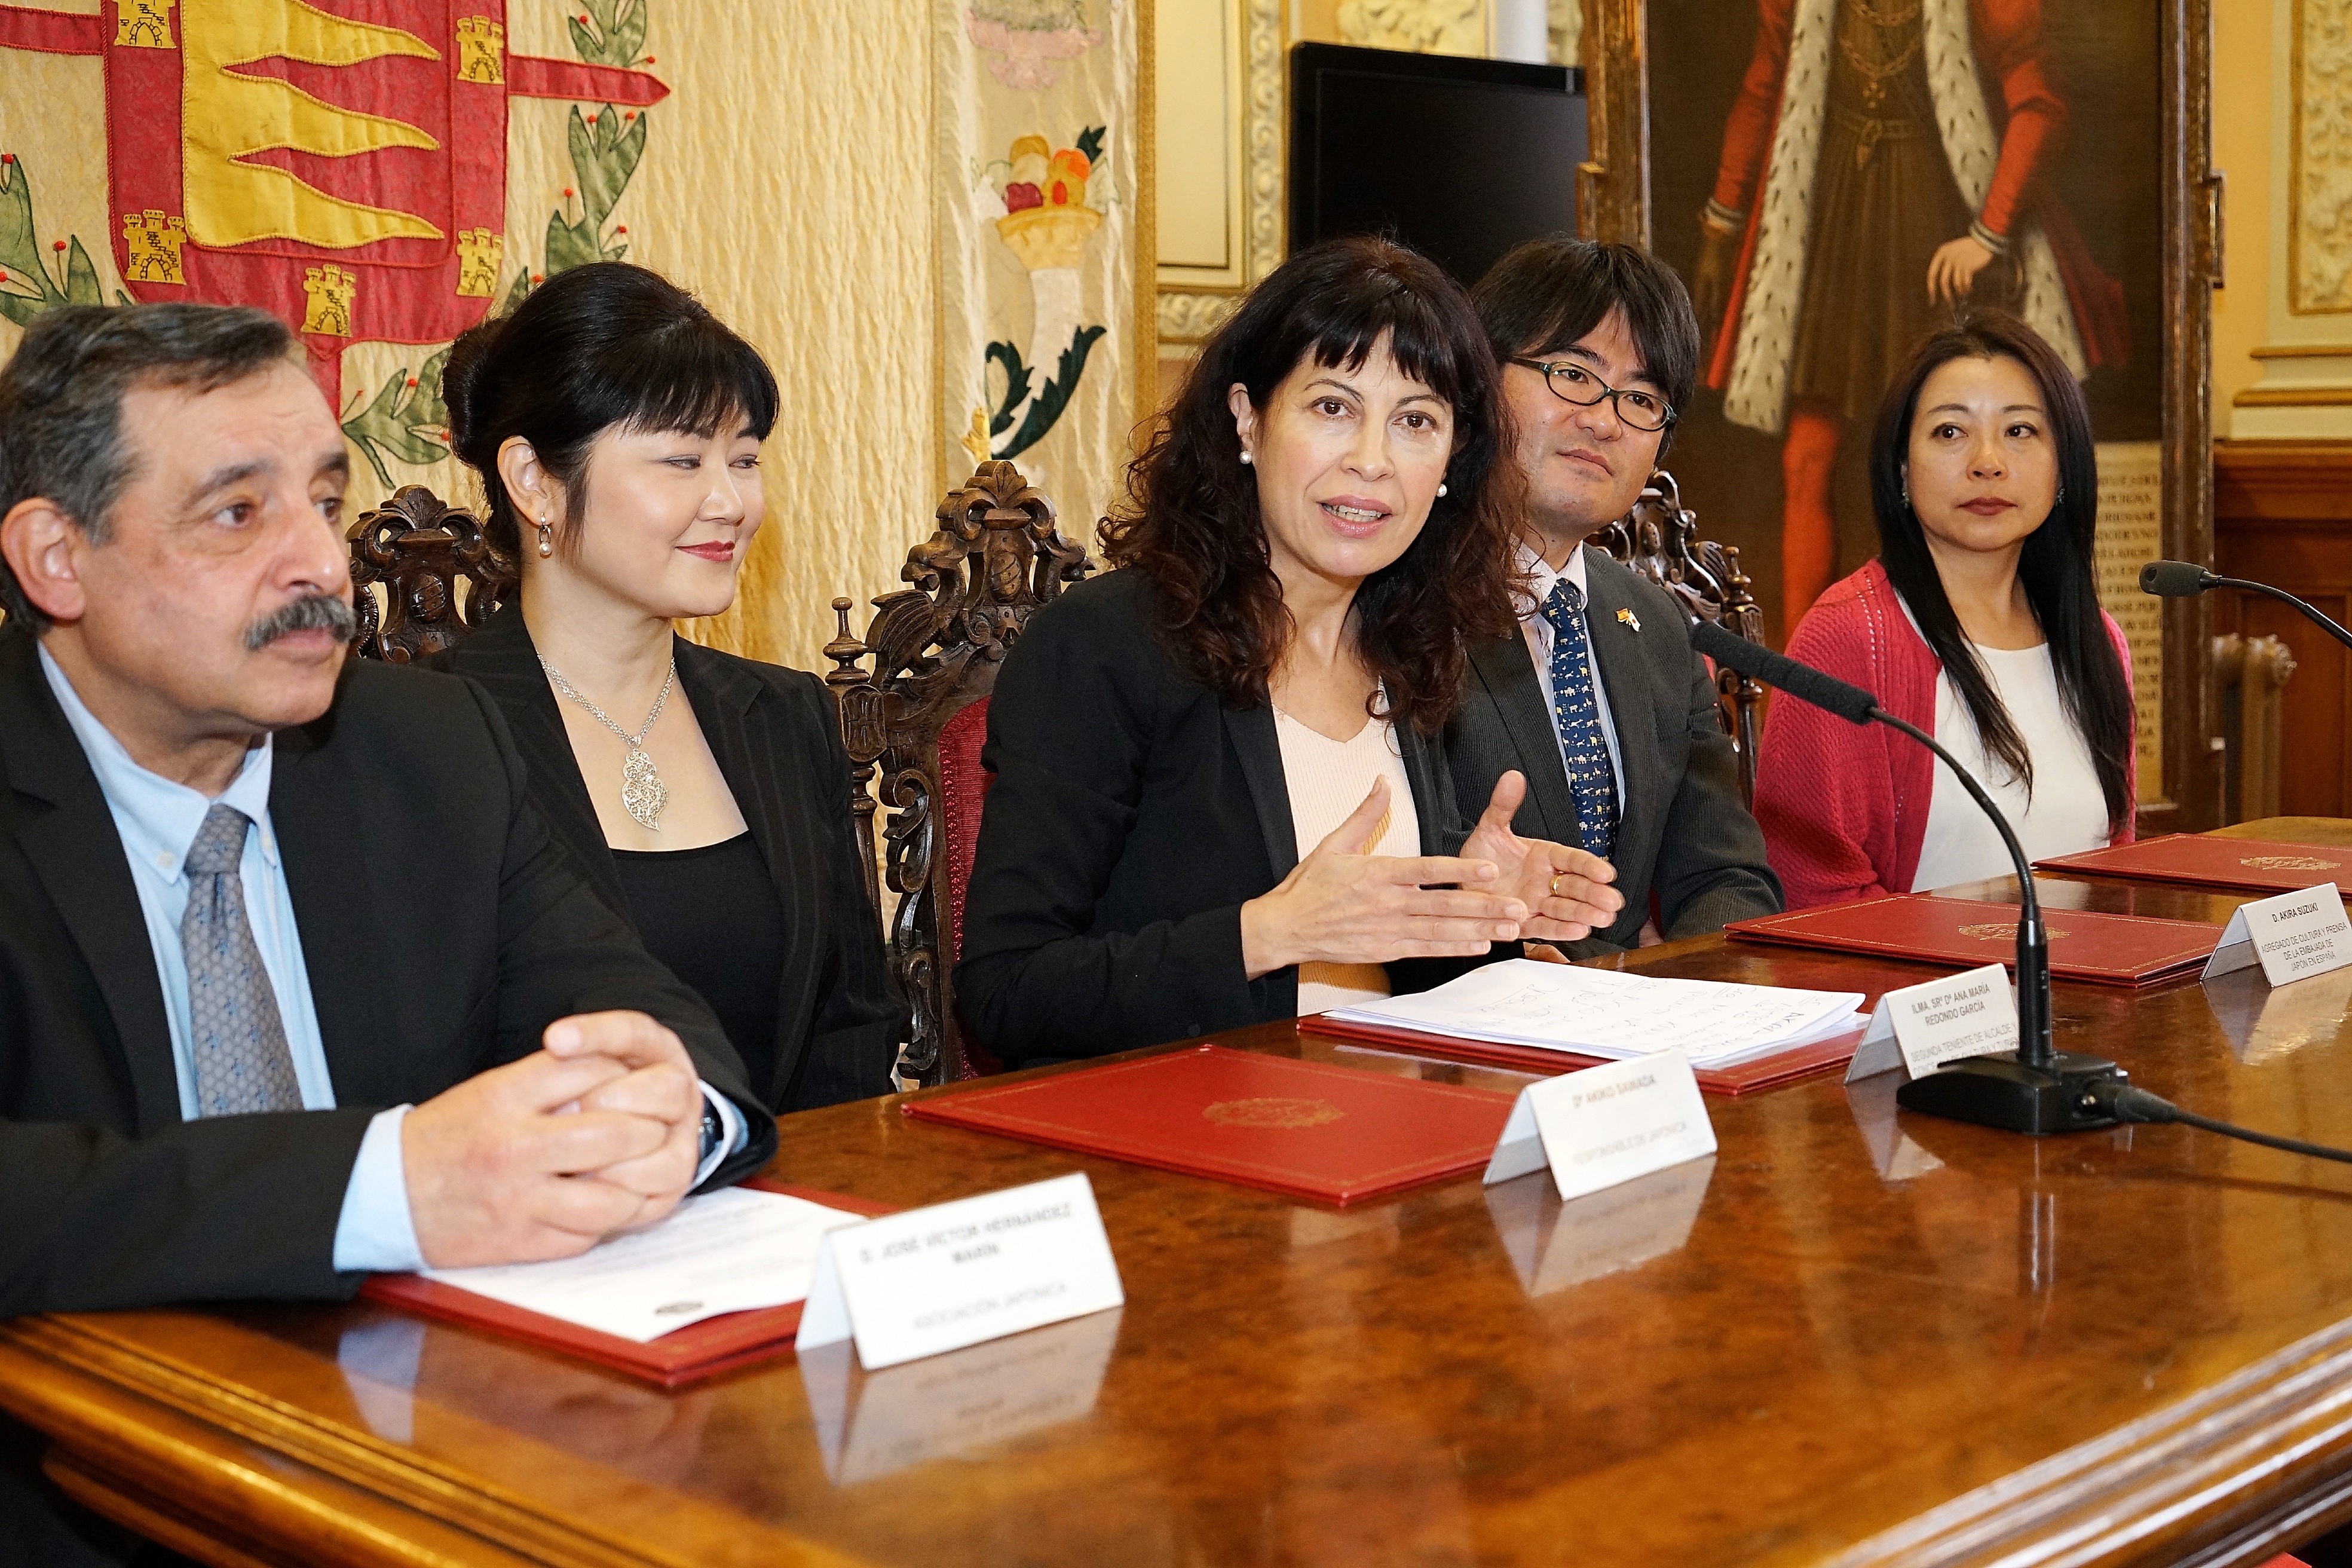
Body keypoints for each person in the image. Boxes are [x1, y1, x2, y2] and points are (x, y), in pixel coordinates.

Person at [0, 302, 780, 1560]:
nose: (321, 562)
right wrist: (386, 1187)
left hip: (437, 1461)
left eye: (325, 498)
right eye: (238, 514)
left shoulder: (428, 747)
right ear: (57, 558)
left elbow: (638, 1011)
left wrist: (666, 1117)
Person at [954, 236, 1625, 1065]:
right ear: (1248, 417)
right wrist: (1268, 933)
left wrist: (1475, 915)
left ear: (1454, 457)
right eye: (1333, 407)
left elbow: (1370, 983)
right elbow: (1006, 996)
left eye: (1415, 421)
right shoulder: (1106, 644)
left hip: (1381, 1117)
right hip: (1191, 1127)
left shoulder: (1411, 649)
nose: (1372, 462)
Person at [431, 264, 902, 1112]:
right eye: (682, 459)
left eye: (745, 458)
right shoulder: (432, 739)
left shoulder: (787, 716)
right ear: (534, 480)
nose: (731, 502)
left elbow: (852, 1024)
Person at [1690, 0, 2127, 631]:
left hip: (1935, 226)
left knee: (1939, 467)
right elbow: (1762, 91)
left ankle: (1939, 654)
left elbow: (2040, 107)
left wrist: (1988, 233)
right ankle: (1804, 664)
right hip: (1833, 229)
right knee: (1806, 458)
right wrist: (1722, 221)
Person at [1450, 237, 1782, 954]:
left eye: (1641, 399)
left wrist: (1682, 992)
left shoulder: (1658, 622)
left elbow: (1725, 876)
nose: (1605, 421)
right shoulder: (1399, 603)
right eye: (1573, 374)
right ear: (1479, 379)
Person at [1751, 310, 2136, 906]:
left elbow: (2119, 869)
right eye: (1950, 432)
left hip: (2079, 969)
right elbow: (1811, 891)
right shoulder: (1850, 636)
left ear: (2063, 467)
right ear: (1902, 469)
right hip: (1909, 973)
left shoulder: (2098, 641)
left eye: (2020, 430)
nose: (1988, 461)